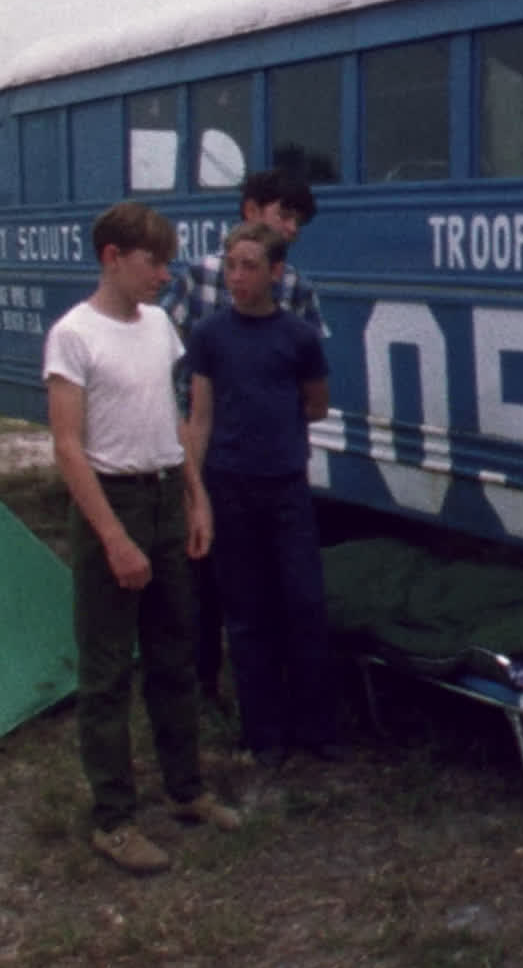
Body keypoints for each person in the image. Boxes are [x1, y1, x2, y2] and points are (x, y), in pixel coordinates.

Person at [43, 201, 243, 876]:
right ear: (112, 258)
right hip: (113, 499)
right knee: (105, 674)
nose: (165, 273)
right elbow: (69, 448)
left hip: (163, 494)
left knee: (175, 655)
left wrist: (195, 496)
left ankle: (187, 790)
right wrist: (113, 539)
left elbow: (175, 417)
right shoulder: (74, 336)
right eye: (153, 262)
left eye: (167, 260)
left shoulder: (159, 325)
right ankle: (114, 820)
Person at [163, 168, 323, 707]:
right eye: (284, 214)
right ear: (251, 211)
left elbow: (307, 372)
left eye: (298, 221)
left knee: (272, 582)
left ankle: (274, 689)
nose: (293, 228)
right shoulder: (199, 277)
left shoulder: (294, 285)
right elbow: (173, 358)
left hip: (272, 452)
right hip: (212, 442)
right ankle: (206, 676)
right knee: (211, 573)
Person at [184, 221, 338, 771]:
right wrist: (195, 487)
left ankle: (317, 727)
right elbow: (199, 418)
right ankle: (263, 734)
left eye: (250, 266)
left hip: (286, 488)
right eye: (231, 266)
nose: (238, 277)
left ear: (276, 272)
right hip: (230, 487)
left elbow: (315, 404)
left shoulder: (297, 337)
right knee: (246, 613)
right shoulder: (209, 336)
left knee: (303, 603)